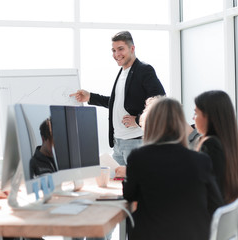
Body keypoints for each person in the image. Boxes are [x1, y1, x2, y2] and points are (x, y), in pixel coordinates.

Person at [123, 97, 223, 240]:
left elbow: (129, 194)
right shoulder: (201, 160)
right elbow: (215, 203)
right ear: (180, 124)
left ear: (151, 123)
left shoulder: (138, 157)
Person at [70, 31, 165, 165]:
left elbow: (160, 101)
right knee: (117, 184)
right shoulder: (122, 72)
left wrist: (138, 120)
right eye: (113, 50)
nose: (116, 54)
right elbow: (117, 103)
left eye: (120, 49)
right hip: (118, 143)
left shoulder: (144, 70)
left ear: (132, 48)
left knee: (135, 184)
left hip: (136, 141)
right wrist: (90, 97)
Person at [194, 90, 238, 203]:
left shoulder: (210, 145)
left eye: (196, 113)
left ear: (209, 116)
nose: (193, 119)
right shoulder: (230, 143)